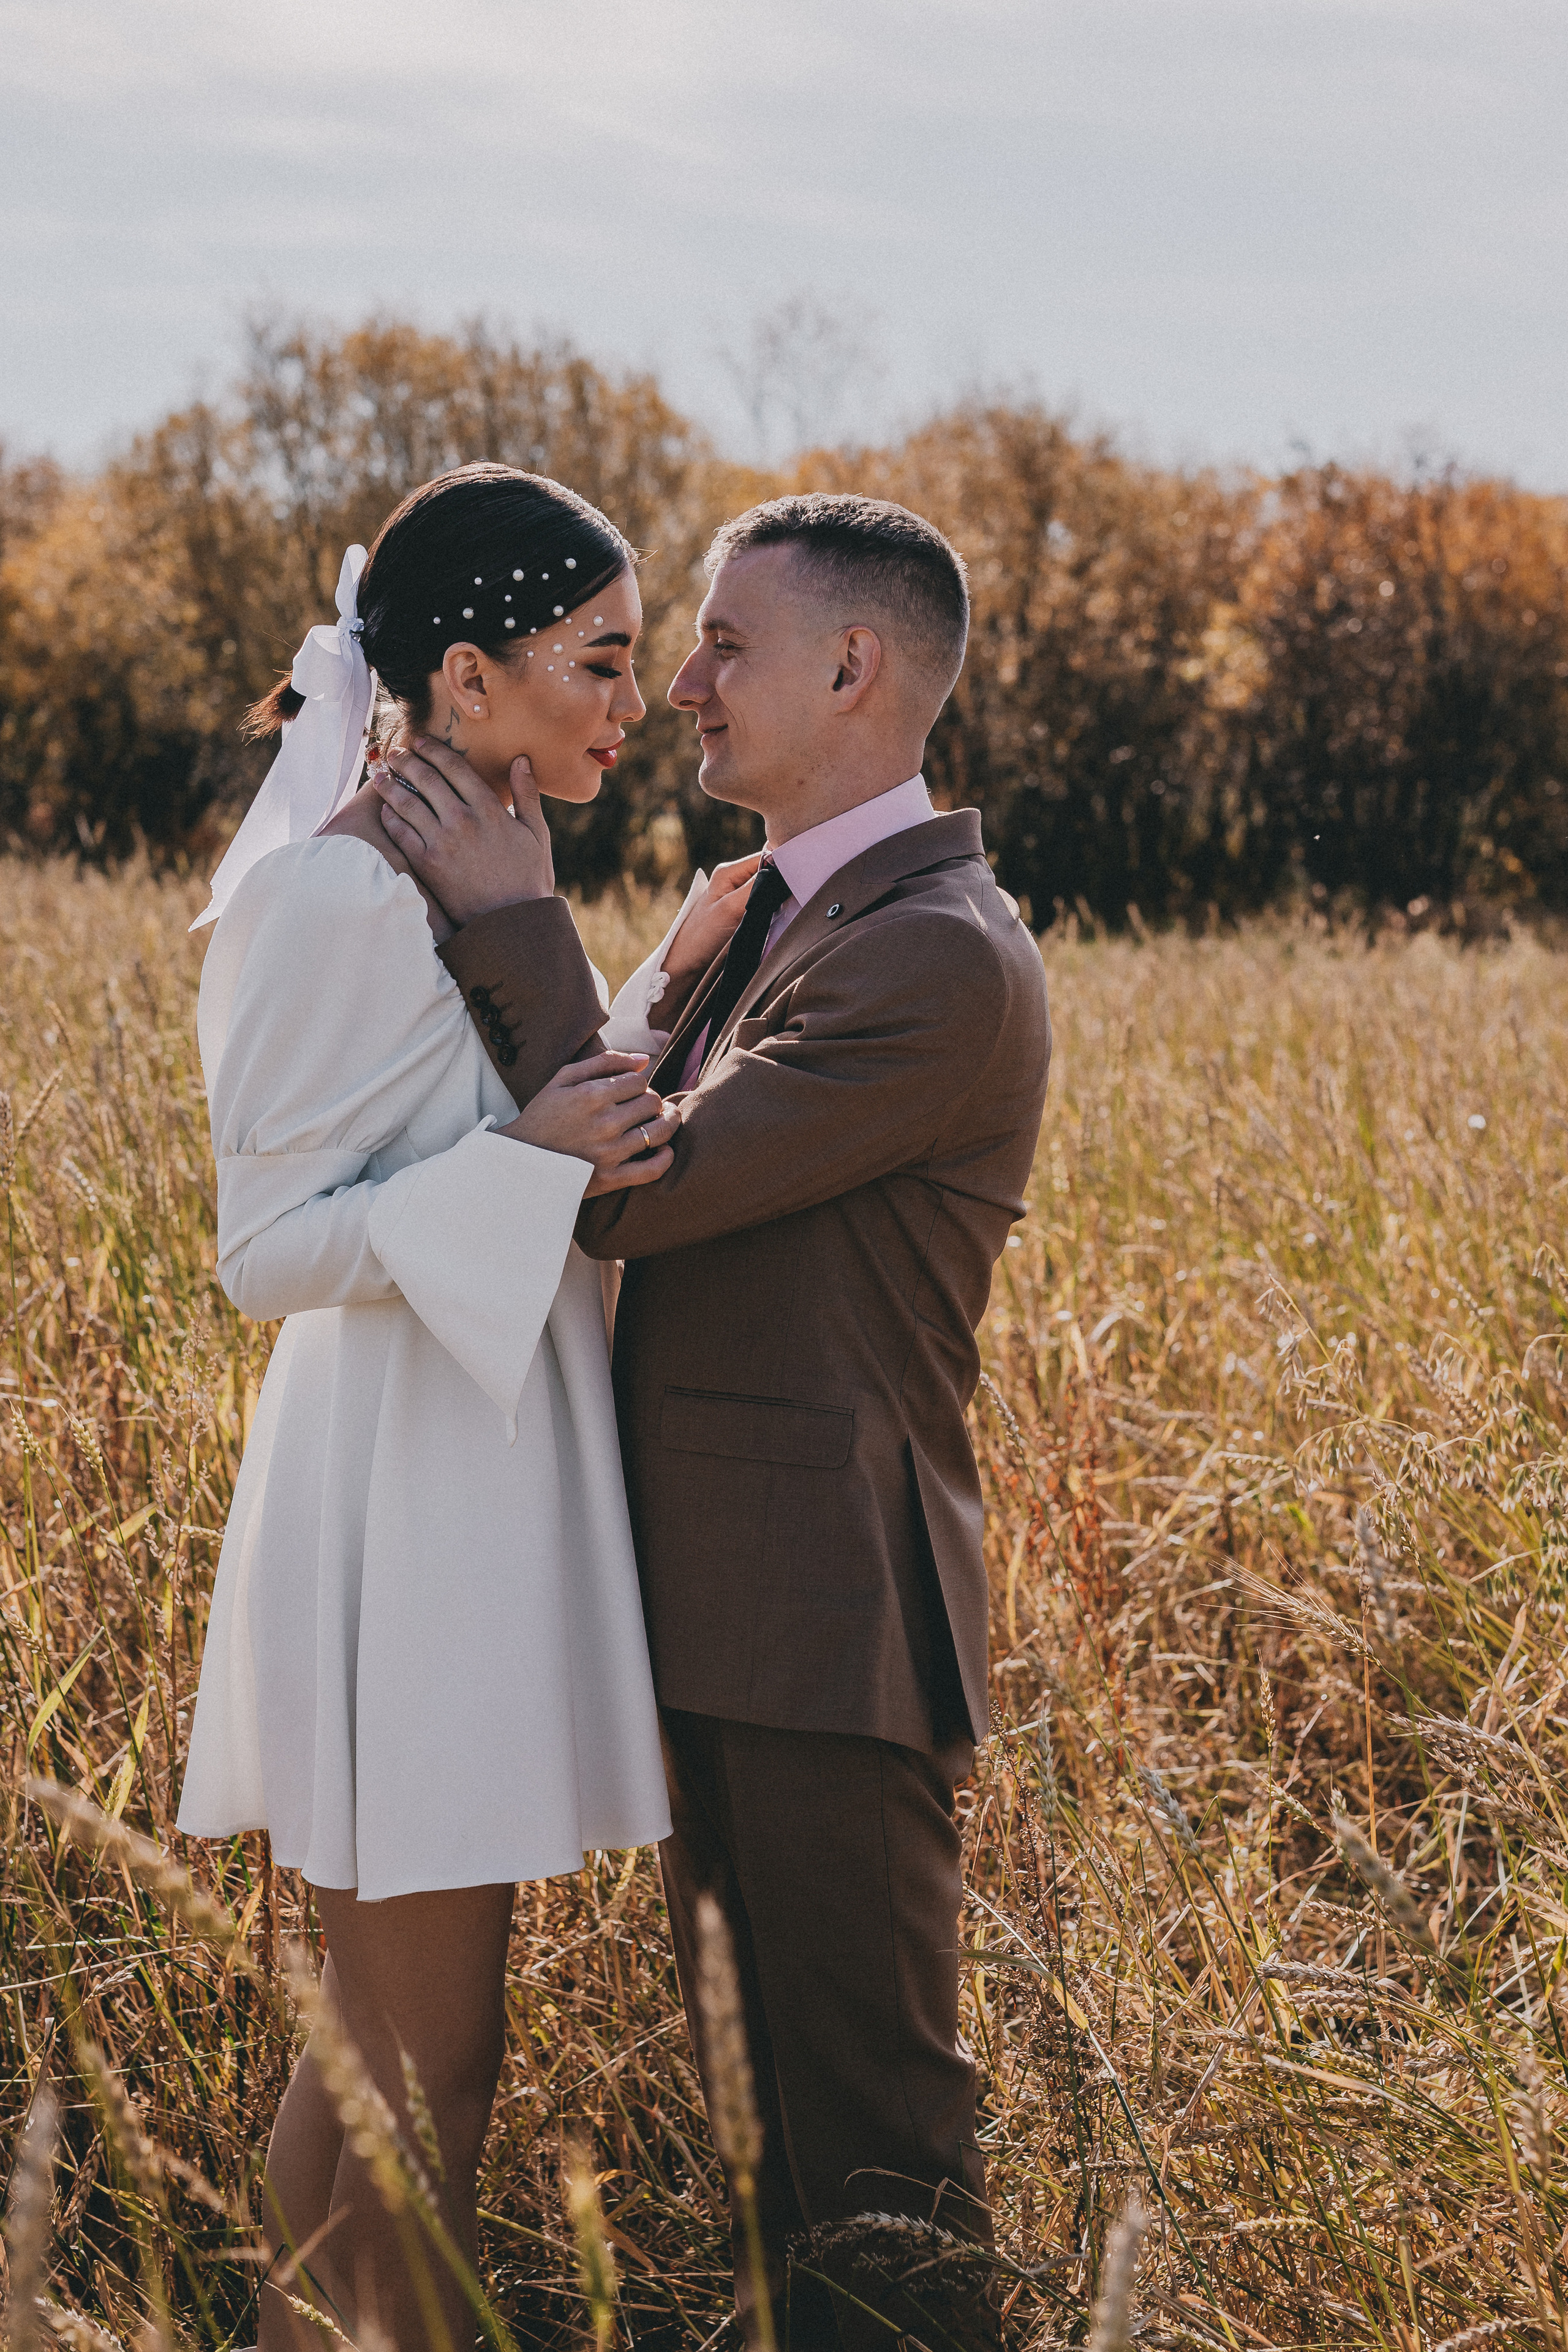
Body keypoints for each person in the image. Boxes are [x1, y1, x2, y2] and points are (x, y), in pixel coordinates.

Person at [374, 492, 1054, 2350]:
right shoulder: (786, 915)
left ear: (856, 665)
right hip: (742, 1616)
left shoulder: (934, 954)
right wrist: (653, 968)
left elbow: (640, 1190)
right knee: (776, 2168)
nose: (677, 681)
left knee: (878, 2168)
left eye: (725, 645)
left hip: (829, 1623)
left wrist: (517, 920)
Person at [176, 463, 755, 2352]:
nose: (631, 701)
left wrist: (645, 978)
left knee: (378, 2050)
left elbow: (506, 1098)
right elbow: (263, 1249)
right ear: (466, 675)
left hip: (477, 1477)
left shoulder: (481, 850)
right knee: (435, 2055)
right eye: (595, 660)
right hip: (410, 1504)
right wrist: (525, 1162)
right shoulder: (348, 886)